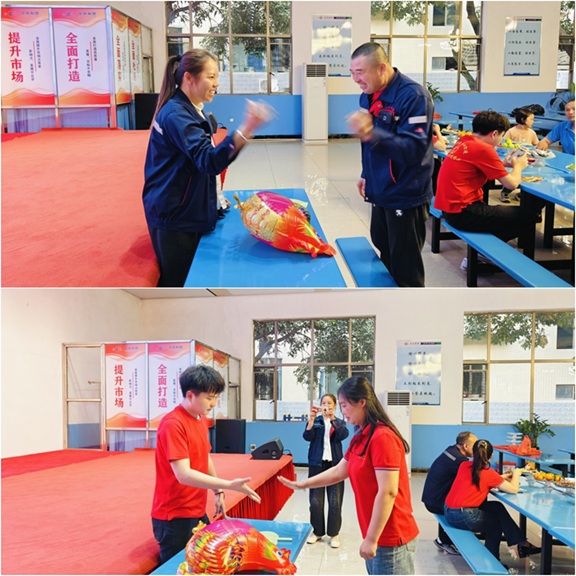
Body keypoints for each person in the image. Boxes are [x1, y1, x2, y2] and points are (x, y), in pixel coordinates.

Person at [142, 49, 272, 287]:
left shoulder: (191, 108)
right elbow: (208, 161)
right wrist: (246, 129)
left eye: (217, 77)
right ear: (189, 78)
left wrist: (215, 199)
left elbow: (198, 163)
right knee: (178, 283)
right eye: (210, 77)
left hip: (182, 207)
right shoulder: (176, 115)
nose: (216, 83)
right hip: (174, 217)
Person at [279, 377, 419, 575]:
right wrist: (303, 484)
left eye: (344, 405)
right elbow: (339, 470)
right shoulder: (361, 435)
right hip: (376, 534)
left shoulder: (383, 437)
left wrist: (371, 539)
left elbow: (388, 492)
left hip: (391, 537)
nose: (342, 411)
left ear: (362, 402)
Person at [151, 365, 261, 564]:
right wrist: (229, 484)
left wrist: (218, 490)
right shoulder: (173, 424)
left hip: (197, 509)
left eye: (216, 397)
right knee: (179, 568)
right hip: (174, 516)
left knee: (207, 563)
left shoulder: (200, 419)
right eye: (210, 398)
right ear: (190, 395)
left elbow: (205, 457)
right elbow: (183, 474)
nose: (214, 403)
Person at [346, 42, 434, 288]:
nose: (356, 79)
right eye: (352, 72)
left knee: (405, 265)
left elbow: (414, 149)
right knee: (384, 250)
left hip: (405, 194)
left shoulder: (414, 97)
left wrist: (371, 132)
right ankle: (387, 302)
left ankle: (409, 307)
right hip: (380, 189)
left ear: (382, 68)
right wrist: (366, 173)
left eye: (360, 72)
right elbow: (368, 144)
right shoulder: (368, 95)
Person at [434, 110, 544, 269]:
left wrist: (503, 164)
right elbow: (511, 185)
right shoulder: (484, 149)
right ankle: (482, 254)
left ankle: (485, 250)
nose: (500, 140)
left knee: (513, 214)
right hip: (463, 213)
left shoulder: (465, 140)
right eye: (501, 136)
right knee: (529, 215)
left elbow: (475, 164)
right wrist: (518, 167)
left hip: (448, 208)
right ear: (494, 134)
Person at [444, 439, 541, 567]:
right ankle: (493, 563)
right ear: (491, 456)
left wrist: (502, 477)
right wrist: (517, 473)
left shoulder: (464, 465)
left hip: (448, 512)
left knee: (497, 507)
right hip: (463, 517)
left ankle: (520, 543)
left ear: (474, 453)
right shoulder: (488, 473)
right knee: (495, 524)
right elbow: (514, 489)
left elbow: (481, 477)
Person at [303, 393, 349, 548]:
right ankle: (317, 532)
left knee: (335, 501)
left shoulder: (339, 422)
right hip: (317, 465)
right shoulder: (316, 421)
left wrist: (333, 419)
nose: (326, 406)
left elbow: (343, 435)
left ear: (335, 406)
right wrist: (310, 421)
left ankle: (334, 534)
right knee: (315, 502)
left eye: (330, 403)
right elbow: (307, 436)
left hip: (335, 466)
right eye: (324, 403)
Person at [421, 431, 478, 555]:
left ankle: (444, 539)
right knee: (463, 509)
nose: (477, 449)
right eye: (475, 445)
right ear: (466, 446)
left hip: (432, 497)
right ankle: (445, 540)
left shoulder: (451, 451)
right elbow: (477, 477)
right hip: (436, 501)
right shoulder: (459, 460)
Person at [500, 108, 539, 203]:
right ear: (523, 120)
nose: (533, 122)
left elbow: (536, 145)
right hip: (513, 160)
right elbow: (503, 143)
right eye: (531, 119)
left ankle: (523, 194)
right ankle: (505, 191)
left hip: (527, 160)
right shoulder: (511, 131)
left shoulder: (532, 133)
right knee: (514, 174)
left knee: (528, 175)